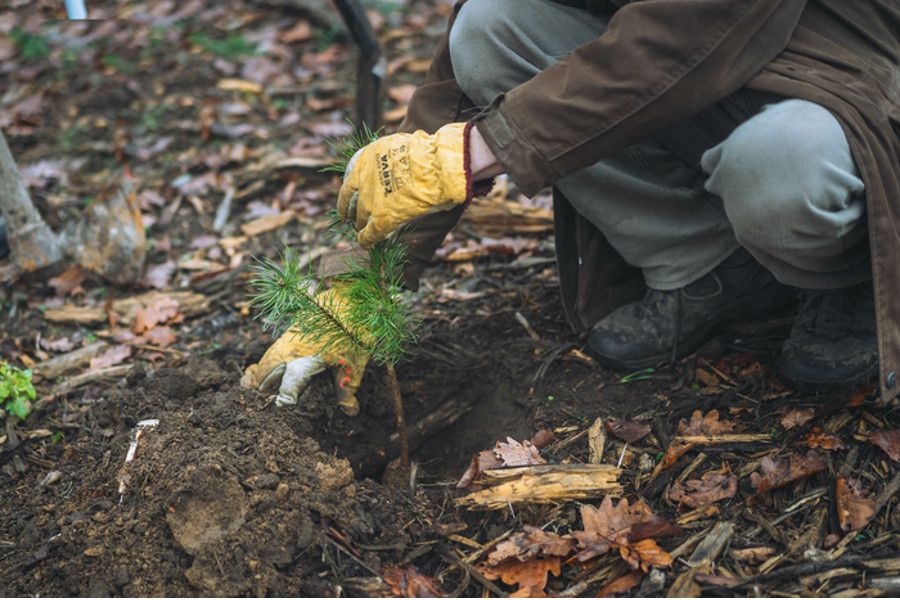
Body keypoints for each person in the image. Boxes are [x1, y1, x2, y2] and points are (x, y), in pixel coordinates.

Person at [243, 0, 899, 411]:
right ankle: (709, 270)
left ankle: (848, 279)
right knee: (489, 26)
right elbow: (451, 88)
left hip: (844, 91)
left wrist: (484, 148)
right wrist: (370, 278)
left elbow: (681, 35)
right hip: (702, 91)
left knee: (781, 167)